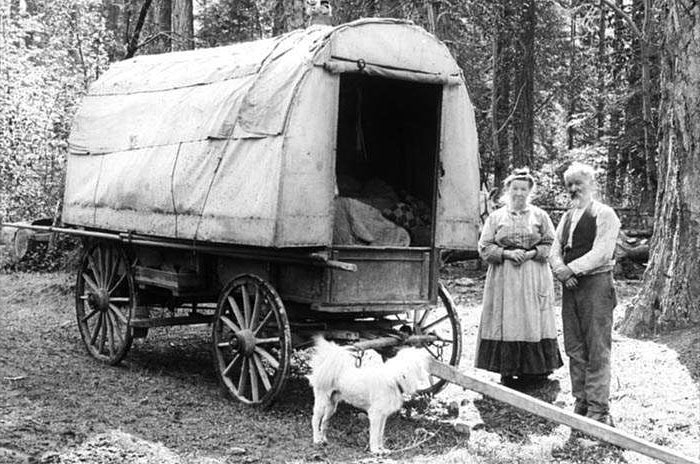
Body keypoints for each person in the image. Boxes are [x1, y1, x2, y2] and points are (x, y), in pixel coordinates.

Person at [476, 168, 563, 387]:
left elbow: (551, 243)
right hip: (504, 276)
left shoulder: (539, 216)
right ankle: (507, 369)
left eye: (523, 189)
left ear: (529, 191)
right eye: (515, 188)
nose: (519, 193)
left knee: (532, 319)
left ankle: (535, 371)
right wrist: (506, 253)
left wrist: (532, 253)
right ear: (508, 190)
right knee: (507, 320)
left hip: (533, 274)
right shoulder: (496, 217)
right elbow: (484, 246)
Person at [549, 162, 620, 427]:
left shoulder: (605, 214)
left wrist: (571, 270)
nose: (574, 189)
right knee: (575, 347)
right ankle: (581, 401)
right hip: (571, 288)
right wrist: (561, 271)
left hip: (596, 286)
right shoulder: (567, 217)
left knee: (597, 347)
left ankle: (599, 409)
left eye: (579, 183)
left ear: (592, 184)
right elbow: (554, 249)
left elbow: (602, 252)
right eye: (569, 184)